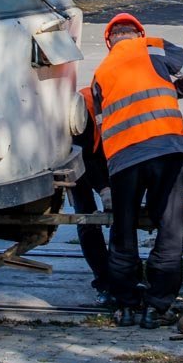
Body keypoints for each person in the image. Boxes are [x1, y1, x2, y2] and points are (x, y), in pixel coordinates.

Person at [90, 12, 183, 329]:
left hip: (124, 159)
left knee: (123, 232)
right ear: (139, 33)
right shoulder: (155, 47)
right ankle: (157, 307)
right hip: (168, 149)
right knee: (170, 229)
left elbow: (101, 128)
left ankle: (126, 306)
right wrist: (170, 90)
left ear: (109, 42)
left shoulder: (100, 73)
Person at [71, 86, 112, 307]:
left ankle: (125, 277)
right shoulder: (83, 107)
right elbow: (83, 156)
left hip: (110, 155)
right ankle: (104, 281)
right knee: (87, 218)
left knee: (121, 218)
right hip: (78, 158)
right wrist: (104, 188)